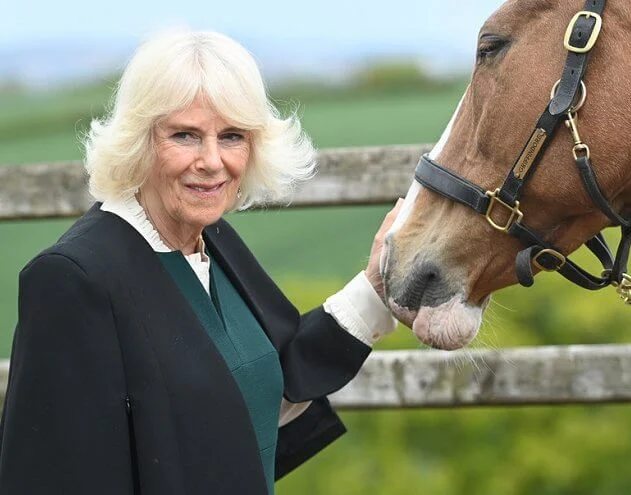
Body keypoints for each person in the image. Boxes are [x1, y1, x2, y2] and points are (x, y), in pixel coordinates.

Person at [0, 29, 401, 495]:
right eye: (185, 135)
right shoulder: (72, 280)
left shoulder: (213, 240)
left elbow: (275, 381)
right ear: (141, 140)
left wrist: (377, 286)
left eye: (232, 136)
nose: (211, 161)